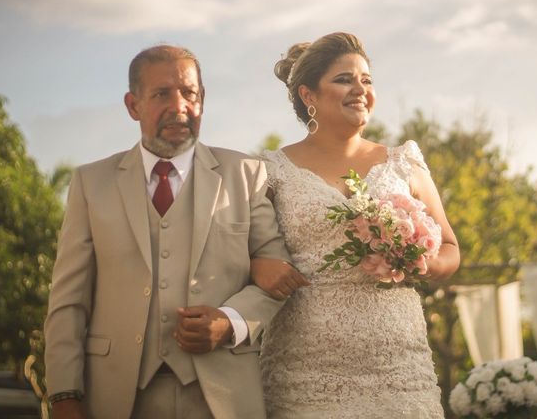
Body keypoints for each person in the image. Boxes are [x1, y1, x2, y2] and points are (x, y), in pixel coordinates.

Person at [44, 45, 292, 419]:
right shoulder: (90, 183)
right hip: (116, 397)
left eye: (189, 92)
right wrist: (64, 393)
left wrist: (230, 322)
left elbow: (278, 277)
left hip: (222, 397)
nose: (179, 106)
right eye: (162, 94)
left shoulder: (245, 174)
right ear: (133, 105)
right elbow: (68, 301)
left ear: (202, 99)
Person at [251, 32, 460, 418]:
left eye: (366, 79)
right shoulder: (270, 173)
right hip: (304, 376)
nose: (360, 89)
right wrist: (259, 266)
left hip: (400, 374)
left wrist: (414, 258)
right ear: (307, 95)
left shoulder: (403, 162)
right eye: (344, 79)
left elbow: (450, 248)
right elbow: (247, 254)